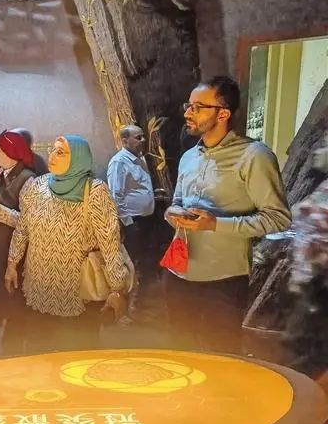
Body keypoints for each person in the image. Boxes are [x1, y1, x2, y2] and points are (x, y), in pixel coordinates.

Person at [164, 76, 291, 354]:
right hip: (178, 273)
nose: (187, 113)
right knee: (178, 354)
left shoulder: (254, 156)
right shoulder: (189, 157)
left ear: (223, 114)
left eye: (197, 107)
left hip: (223, 280)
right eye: (188, 106)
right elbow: (176, 202)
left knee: (220, 359)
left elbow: (278, 218)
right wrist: (171, 212)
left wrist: (216, 224)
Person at [5, 135, 128, 352]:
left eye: (60, 152)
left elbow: (110, 245)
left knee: (75, 360)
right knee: (39, 357)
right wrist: (12, 263)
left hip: (78, 294)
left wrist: (117, 289)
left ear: (79, 158)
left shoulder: (95, 192)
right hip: (38, 290)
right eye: (52, 149)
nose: (52, 155)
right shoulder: (37, 186)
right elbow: (23, 229)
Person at [0, 130, 36, 354]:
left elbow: (28, 220)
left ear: (10, 152)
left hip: (14, 250)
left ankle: (14, 350)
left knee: (15, 300)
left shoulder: (27, 179)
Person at [285, 131, 328, 382]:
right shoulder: (323, 186)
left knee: (307, 359)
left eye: (326, 146)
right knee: (302, 349)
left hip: (321, 289)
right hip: (310, 286)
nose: (318, 152)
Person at [107, 125, 154, 313]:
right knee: (132, 264)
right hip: (133, 222)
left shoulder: (140, 159)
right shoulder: (119, 162)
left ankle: (142, 304)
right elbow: (115, 195)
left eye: (143, 137)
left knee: (145, 262)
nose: (143, 140)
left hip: (146, 219)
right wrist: (128, 223)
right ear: (125, 141)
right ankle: (128, 307)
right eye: (138, 138)